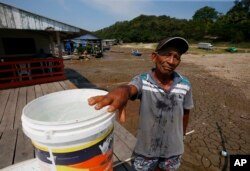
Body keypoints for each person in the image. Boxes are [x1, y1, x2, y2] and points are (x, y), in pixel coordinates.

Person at [88, 37, 194, 171]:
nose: (171, 61)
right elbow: (131, 88)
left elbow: (186, 112)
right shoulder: (143, 81)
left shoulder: (185, 84)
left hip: (173, 150)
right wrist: (123, 91)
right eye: (167, 55)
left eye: (176, 57)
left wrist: (182, 136)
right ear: (154, 57)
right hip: (146, 150)